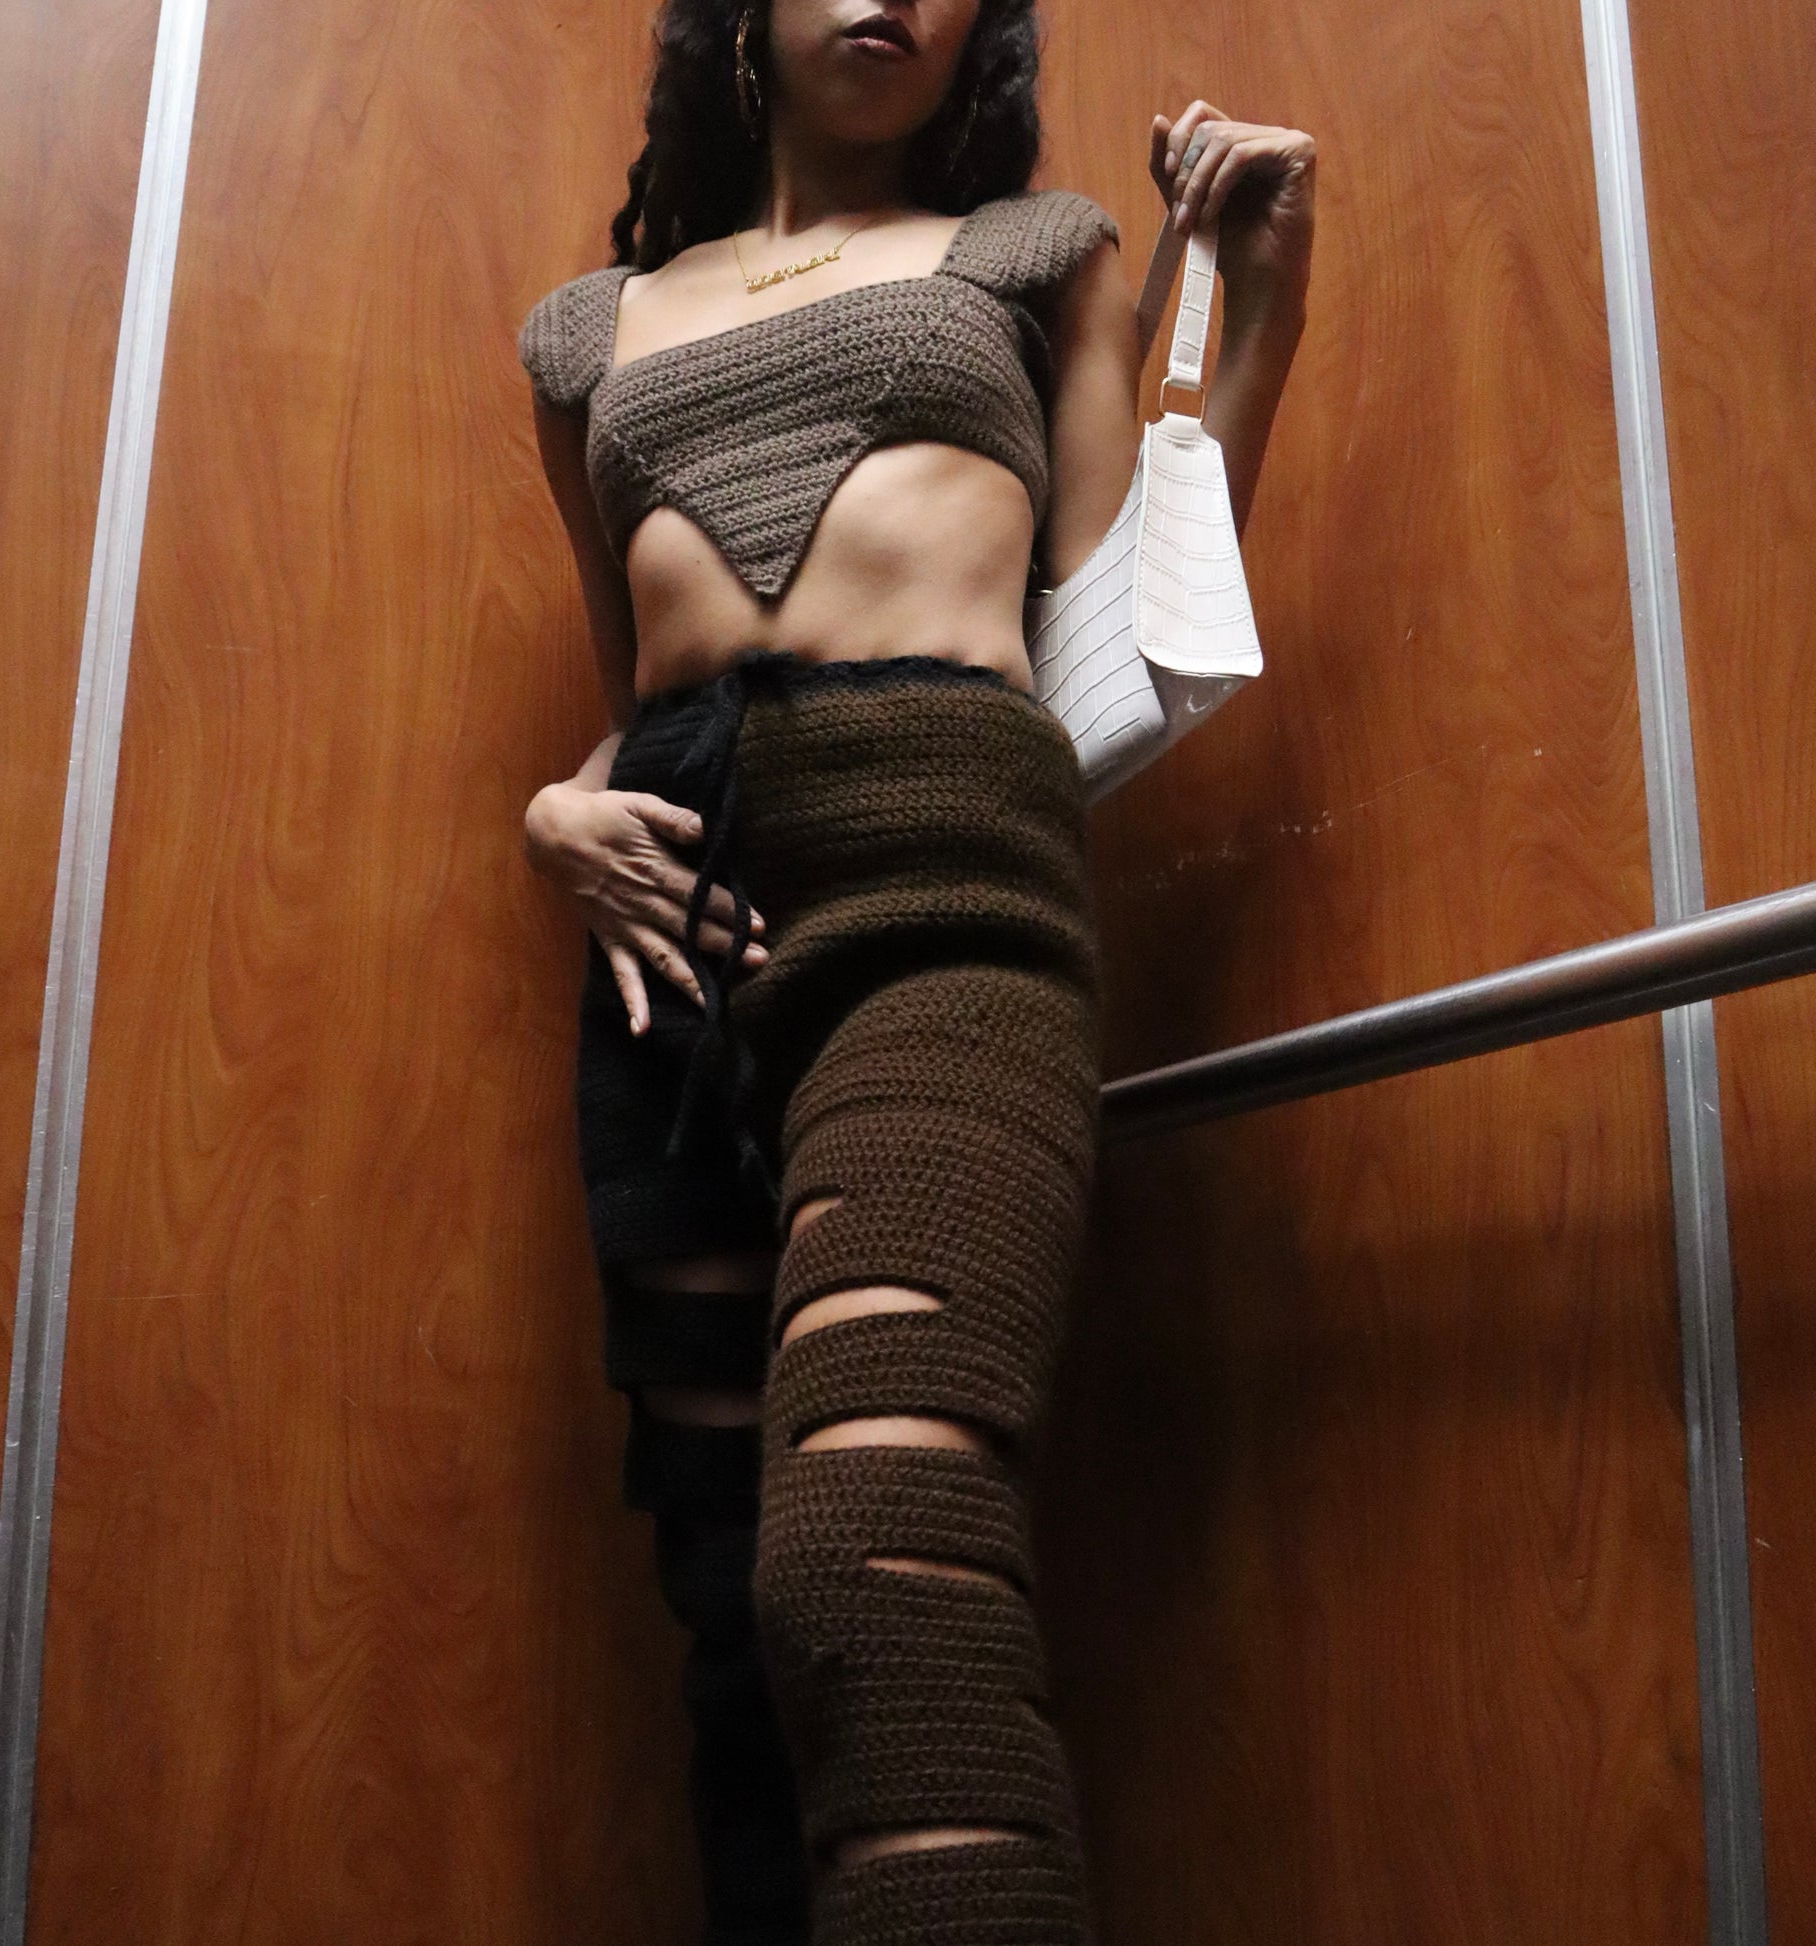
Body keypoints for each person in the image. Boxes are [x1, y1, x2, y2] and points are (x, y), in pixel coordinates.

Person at [515, 3, 1314, 1940]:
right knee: (732, 1621)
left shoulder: (1035, 253)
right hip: (674, 944)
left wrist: (1261, 305)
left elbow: (1125, 613)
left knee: (869, 1554)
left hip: (942, 882)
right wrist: (553, 814)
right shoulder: (581, 335)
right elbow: (643, 681)